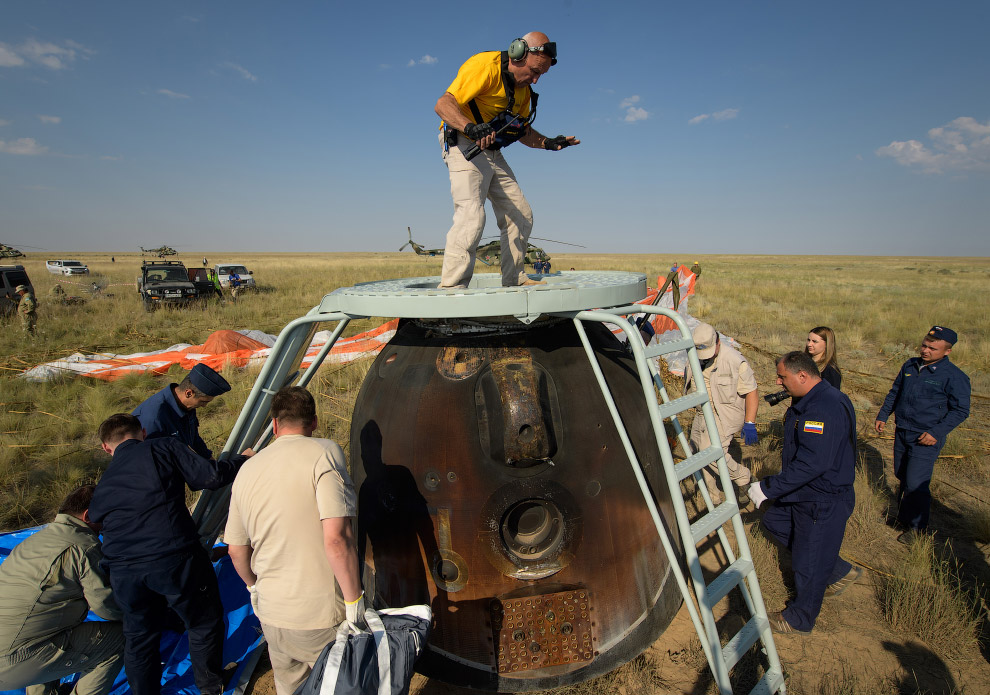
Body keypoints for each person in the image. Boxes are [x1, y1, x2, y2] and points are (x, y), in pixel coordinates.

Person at [90, 414, 252, 695]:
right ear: (142, 431)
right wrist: (241, 460)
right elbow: (210, 477)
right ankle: (209, 686)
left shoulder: (105, 482)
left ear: (106, 448)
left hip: (123, 570)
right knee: (203, 622)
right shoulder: (161, 446)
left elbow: (96, 518)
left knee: (139, 638)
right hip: (172, 557)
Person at [225, 387, 363, 695]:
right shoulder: (325, 452)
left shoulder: (247, 469)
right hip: (320, 612)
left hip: (272, 615)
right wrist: (354, 602)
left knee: (290, 686)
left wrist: (253, 588)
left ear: (274, 425)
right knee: (341, 685)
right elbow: (337, 539)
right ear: (314, 422)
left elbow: (236, 550)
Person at [435, 31, 580, 289]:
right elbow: (444, 104)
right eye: (535, 71)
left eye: (541, 75)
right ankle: (452, 290)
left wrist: (548, 143)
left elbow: (523, 130)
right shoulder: (484, 66)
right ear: (518, 53)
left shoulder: (524, 93)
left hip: (491, 150)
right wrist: (470, 127)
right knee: (472, 214)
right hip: (463, 141)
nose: (536, 79)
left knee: (520, 214)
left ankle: (513, 282)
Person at [748, 351, 859, 635]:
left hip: (820, 498)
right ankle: (836, 570)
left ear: (802, 375)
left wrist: (768, 487)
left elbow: (813, 463)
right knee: (774, 522)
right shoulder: (814, 399)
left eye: (782, 377)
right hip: (803, 492)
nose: (778, 381)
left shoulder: (823, 408)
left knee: (807, 562)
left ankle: (798, 618)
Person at [0, 486, 125, 695]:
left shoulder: (32, 541)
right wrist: (143, 613)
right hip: (14, 661)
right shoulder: (83, 545)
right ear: (87, 515)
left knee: (45, 627)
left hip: (14, 648)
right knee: (119, 639)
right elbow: (106, 607)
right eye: (105, 517)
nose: (104, 526)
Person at [875, 326, 970, 543]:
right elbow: (895, 392)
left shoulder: (954, 377)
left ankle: (918, 529)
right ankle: (903, 518)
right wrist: (883, 415)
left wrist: (936, 432)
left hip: (926, 437)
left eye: (932, 348)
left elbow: (961, 410)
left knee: (916, 482)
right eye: (924, 345)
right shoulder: (910, 365)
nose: (925, 351)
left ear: (947, 351)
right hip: (902, 431)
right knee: (901, 474)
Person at [685, 322, 759, 503]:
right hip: (702, 411)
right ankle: (713, 499)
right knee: (696, 453)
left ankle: (744, 478)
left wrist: (750, 423)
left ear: (717, 341)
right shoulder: (693, 355)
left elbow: (752, 391)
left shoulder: (735, 360)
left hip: (724, 412)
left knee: (710, 453)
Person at [132, 363, 230, 459]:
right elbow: (148, 459)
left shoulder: (187, 405)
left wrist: (210, 459)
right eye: (203, 401)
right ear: (188, 393)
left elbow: (194, 438)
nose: (204, 406)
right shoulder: (154, 418)